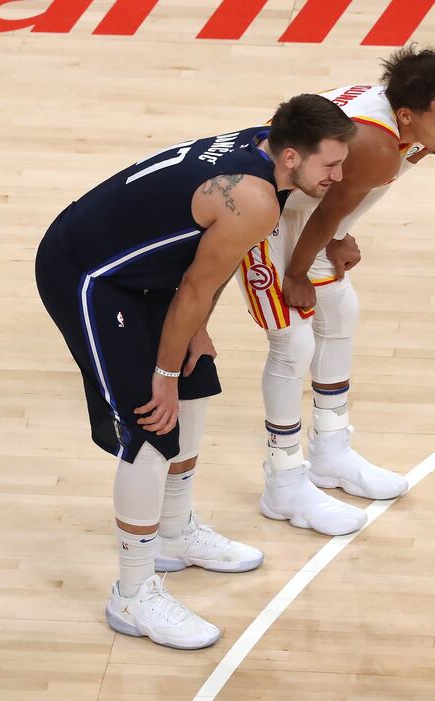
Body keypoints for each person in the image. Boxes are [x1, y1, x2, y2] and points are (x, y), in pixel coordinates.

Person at [35, 93, 357, 649]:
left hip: (144, 273)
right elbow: (196, 283)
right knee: (151, 427)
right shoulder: (254, 199)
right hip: (90, 275)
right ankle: (133, 595)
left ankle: (175, 532)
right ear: (289, 157)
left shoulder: (266, 146)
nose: (339, 174)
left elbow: (204, 263)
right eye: (330, 163)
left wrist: (193, 333)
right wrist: (161, 372)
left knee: (197, 383)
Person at [237, 46, 435, 536]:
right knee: (293, 340)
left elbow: (342, 202)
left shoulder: (405, 130)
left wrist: (337, 238)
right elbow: (326, 207)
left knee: (340, 312)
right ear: (407, 115)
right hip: (260, 212)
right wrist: (297, 273)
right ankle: (283, 482)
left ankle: (331, 453)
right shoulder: (376, 142)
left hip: (304, 213)